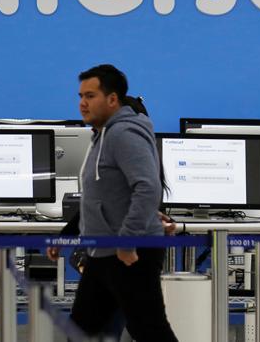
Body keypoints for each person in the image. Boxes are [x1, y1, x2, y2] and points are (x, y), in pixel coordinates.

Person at [51, 64, 178, 341]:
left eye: (91, 96)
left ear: (112, 99)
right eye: (81, 96)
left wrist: (127, 241)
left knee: (150, 330)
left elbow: (147, 187)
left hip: (129, 252)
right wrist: (67, 236)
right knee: (81, 329)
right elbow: (99, 197)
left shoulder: (123, 134)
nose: (83, 103)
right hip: (104, 252)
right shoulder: (103, 136)